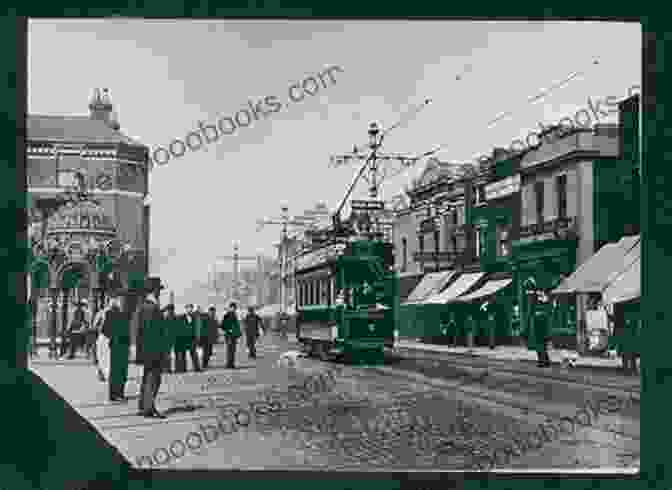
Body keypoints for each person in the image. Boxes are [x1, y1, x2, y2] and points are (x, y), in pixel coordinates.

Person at [138, 293, 169, 418]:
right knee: (154, 379)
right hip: (155, 351)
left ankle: (142, 406)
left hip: (145, 351)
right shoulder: (155, 309)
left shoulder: (142, 309)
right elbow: (158, 331)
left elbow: (141, 331)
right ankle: (149, 409)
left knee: (146, 378)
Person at [104, 294, 131, 402]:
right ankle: (115, 394)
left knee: (122, 370)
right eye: (119, 301)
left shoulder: (124, 314)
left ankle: (119, 393)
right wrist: (114, 336)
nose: (121, 303)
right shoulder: (110, 313)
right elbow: (105, 330)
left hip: (121, 345)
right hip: (117, 345)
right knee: (117, 371)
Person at [94, 299, 111, 382]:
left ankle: (103, 374)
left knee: (102, 356)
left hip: (104, 336)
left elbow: (95, 325)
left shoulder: (101, 312)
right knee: (105, 356)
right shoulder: (102, 312)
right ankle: (104, 374)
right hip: (107, 336)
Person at [220, 302, 241, 368]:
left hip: (234, 335)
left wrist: (238, 333)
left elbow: (237, 325)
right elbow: (222, 325)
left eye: (234, 308)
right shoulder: (227, 315)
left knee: (233, 350)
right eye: (232, 308)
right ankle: (229, 364)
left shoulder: (235, 315)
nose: (234, 309)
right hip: (229, 335)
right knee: (229, 350)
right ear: (230, 308)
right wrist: (228, 329)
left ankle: (231, 364)